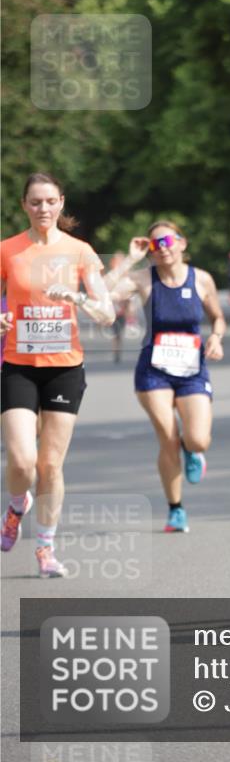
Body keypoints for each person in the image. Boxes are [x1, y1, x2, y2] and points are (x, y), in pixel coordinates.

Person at [1, 172, 115, 577]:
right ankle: (17, 505)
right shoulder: (8, 251)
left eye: (50, 202)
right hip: (18, 366)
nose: (43, 209)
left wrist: (78, 297)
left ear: (61, 203)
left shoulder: (81, 252)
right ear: (24, 206)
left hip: (65, 369)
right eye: (35, 202)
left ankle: (45, 551)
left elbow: (108, 314)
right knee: (21, 459)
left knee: (50, 465)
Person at [106, 220, 225, 533]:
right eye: (155, 244)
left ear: (182, 243)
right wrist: (131, 258)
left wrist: (215, 337)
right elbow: (102, 291)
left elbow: (218, 318)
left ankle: (192, 448)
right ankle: (176, 509)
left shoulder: (201, 279)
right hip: (153, 370)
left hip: (192, 370)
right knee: (168, 438)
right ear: (150, 250)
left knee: (198, 438)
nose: (164, 248)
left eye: (169, 241)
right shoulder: (144, 279)